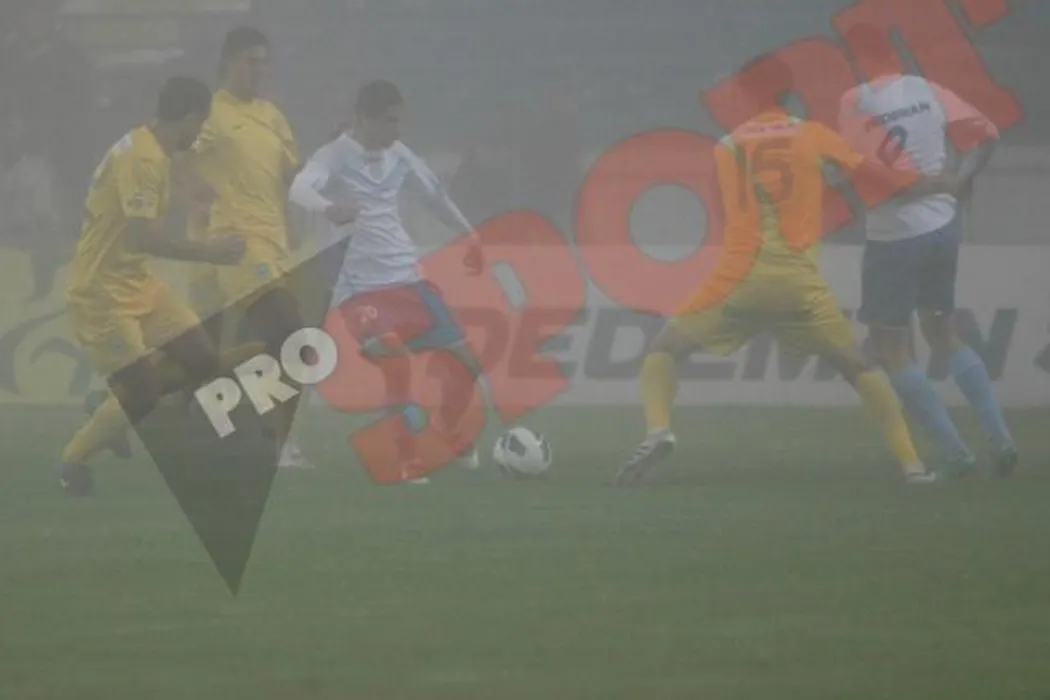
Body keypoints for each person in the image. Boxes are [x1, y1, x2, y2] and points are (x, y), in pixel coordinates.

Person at [616, 55, 950, 487]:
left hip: (739, 280)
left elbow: (727, 212)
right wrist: (936, 184)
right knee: (859, 367)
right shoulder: (812, 134)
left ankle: (658, 430)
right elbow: (873, 177)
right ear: (788, 93)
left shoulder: (728, 146)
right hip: (798, 284)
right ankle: (913, 467)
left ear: (746, 96)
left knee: (665, 350)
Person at [56, 77, 260, 496]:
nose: (199, 133)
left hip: (136, 281)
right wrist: (210, 252)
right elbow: (141, 238)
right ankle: (73, 461)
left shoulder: (148, 145)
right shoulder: (144, 158)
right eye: (200, 124)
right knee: (144, 393)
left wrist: (195, 196)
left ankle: (113, 405)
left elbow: (152, 201)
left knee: (202, 359)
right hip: (101, 291)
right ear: (188, 118)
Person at [838, 22, 1016, 477]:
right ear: (895, 53)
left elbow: (874, 176)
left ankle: (956, 454)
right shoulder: (926, 88)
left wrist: (928, 184)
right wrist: (959, 181)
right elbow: (989, 133)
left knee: (891, 347)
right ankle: (1000, 437)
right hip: (942, 228)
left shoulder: (854, 101)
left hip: (895, 237)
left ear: (855, 59)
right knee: (942, 331)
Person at [289, 80, 485, 485]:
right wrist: (329, 208)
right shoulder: (334, 155)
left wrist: (471, 235)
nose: (397, 130)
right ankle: (408, 462)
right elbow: (299, 188)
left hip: (408, 279)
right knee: (396, 364)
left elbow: (435, 196)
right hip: (360, 288)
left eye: (400, 121)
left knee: (468, 365)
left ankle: (447, 432)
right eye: (389, 121)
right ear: (363, 118)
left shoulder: (399, 154)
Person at [185, 26, 313, 470]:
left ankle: (202, 401)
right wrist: (191, 201)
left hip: (275, 246)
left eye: (264, 62)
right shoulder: (210, 114)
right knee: (292, 337)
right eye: (250, 61)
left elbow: (290, 177)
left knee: (264, 345)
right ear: (228, 62)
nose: (260, 70)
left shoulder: (272, 116)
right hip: (237, 244)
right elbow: (175, 159)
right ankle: (280, 443)